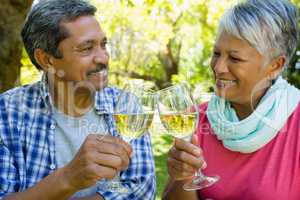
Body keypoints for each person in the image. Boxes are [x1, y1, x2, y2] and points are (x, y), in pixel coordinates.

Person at [0, 0, 156, 199]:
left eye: (103, 45)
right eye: (86, 48)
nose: (103, 58)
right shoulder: (6, 112)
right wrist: (69, 178)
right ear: (46, 60)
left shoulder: (126, 106)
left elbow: (140, 190)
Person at [163, 0, 300, 199]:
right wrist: (182, 175)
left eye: (234, 59)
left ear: (275, 66)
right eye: (216, 54)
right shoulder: (197, 118)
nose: (218, 67)